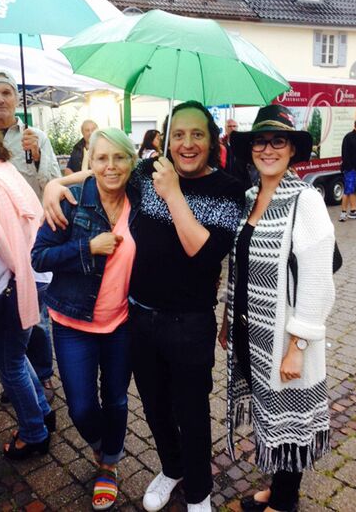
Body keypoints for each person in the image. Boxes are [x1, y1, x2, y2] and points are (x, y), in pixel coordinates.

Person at [41, 101, 244, 512]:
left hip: (189, 323)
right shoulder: (149, 172)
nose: (187, 143)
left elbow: (204, 254)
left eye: (197, 134)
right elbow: (105, 173)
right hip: (139, 317)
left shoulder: (228, 188)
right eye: (179, 134)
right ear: (166, 139)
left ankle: (199, 492)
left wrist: (174, 195)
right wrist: (55, 184)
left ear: (212, 140)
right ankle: (172, 468)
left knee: (191, 409)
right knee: (154, 406)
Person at [219, 104, 335, 512]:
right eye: (260, 141)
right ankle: (280, 490)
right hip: (251, 330)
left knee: (289, 418)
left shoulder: (306, 200)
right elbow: (240, 266)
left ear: (292, 150)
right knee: (270, 412)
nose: (267, 149)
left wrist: (297, 346)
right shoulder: (251, 197)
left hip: (285, 337)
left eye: (278, 141)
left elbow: (318, 280)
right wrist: (228, 320)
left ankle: (284, 503)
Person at [32, 128, 139, 511]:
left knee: (116, 400)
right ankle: (101, 446)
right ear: (90, 162)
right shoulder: (72, 201)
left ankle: (108, 465)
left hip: (121, 323)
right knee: (80, 407)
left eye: (119, 157)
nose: (111, 166)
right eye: (102, 158)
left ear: (131, 162)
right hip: (72, 324)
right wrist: (87, 247)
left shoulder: (141, 200)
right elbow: (38, 257)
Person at [0, 69, 60, 403]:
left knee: (35, 317)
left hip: (31, 240)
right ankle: (20, 377)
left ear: (17, 98)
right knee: (7, 318)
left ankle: (43, 375)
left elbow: (52, 185)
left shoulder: (34, 137)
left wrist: (36, 158)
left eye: (6, 92)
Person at [0, 129, 54, 461]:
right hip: (34, 274)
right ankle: (42, 412)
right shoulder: (6, 169)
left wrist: (18, 272)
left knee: (9, 363)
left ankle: (34, 433)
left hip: (13, 282)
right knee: (16, 356)